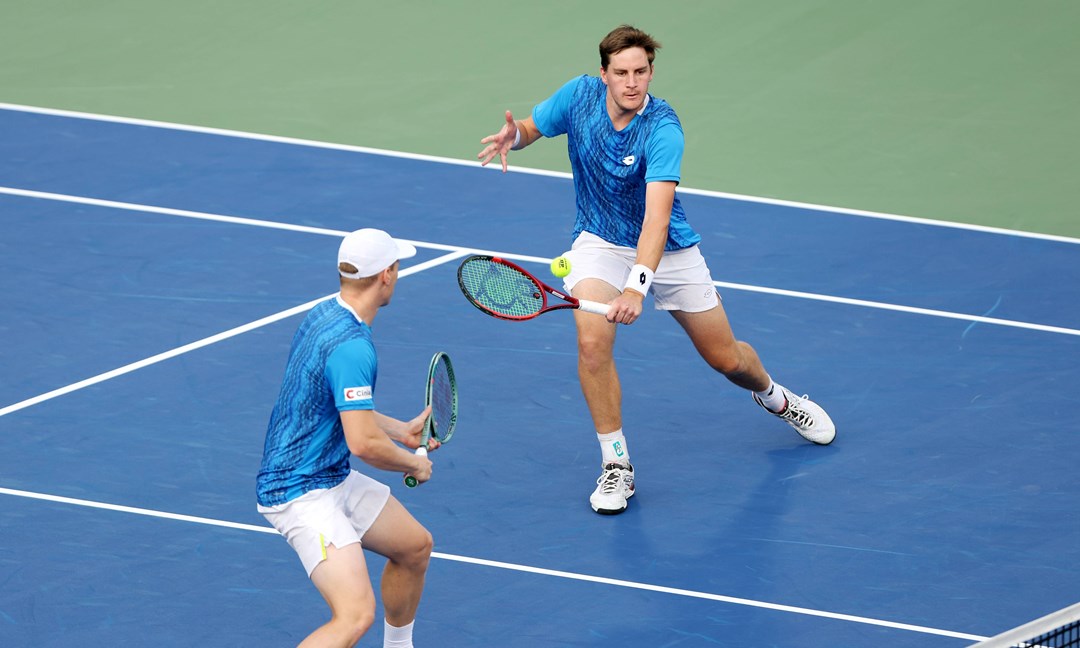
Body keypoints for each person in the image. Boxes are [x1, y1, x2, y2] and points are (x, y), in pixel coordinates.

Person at [477, 25, 836, 516]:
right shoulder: (577, 97)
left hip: (667, 252)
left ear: (651, 72)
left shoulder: (663, 128)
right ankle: (616, 464)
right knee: (590, 342)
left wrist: (637, 287)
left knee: (727, 360)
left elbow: (656, 220)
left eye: (641, 72)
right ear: (603, 75)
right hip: (600, 242)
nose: (631, 82)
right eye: (621, 73)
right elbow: (530, 128)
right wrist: (512, 136)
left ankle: (776, 397)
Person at [256, 228, 437, 647]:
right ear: (387, 275)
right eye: (397, 267)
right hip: (299, 491)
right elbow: (363, 445)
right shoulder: (354, 348)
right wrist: (413, 462)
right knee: (354, 616)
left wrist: (400, 430)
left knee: (414, 547)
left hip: (329, 473)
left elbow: (330, 403)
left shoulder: (323, 314)